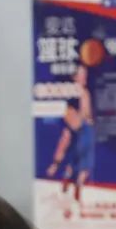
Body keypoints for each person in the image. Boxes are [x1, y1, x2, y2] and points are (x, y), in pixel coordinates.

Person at [46, 65, 95, 206]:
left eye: (85, 74)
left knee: (79, 164)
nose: (84, 77)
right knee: (77, 163)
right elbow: (66, 136)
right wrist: (55, 163)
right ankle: (72, 184)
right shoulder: (75, 96)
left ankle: (72, 185)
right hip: (80, 131)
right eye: (81, 75)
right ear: (74, 77)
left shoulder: (83, 93)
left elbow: (86, 115)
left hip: (84, 132)